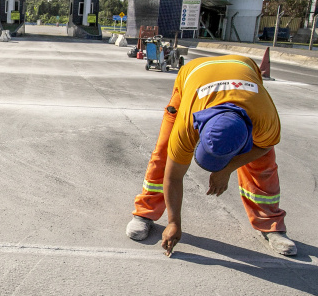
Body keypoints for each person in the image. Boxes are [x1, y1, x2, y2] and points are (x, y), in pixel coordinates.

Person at [126, 54, 296, 256]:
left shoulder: (264, 117)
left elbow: (265, 146)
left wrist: (228, 168)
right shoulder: (187, 124)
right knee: (164, 152)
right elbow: (173, 176)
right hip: (194, 73)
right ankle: (145, 212)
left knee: (263, 165)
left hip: (242, 69)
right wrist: (173, 223)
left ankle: (271, 224)